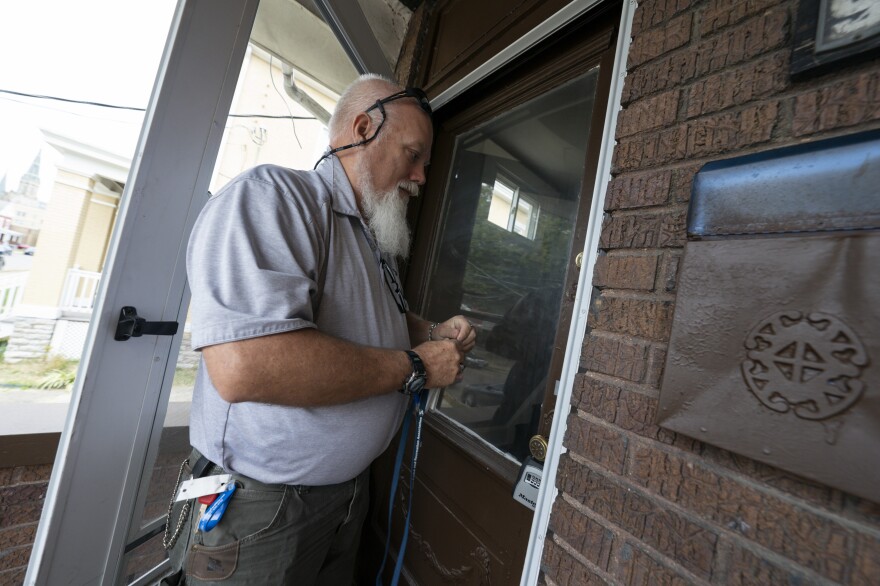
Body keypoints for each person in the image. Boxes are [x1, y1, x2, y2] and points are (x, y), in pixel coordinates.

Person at [163, 74, 476, 585]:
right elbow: (248, 366)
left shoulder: (371, 234)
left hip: (345, 495)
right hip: (263, 506)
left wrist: (434, 329)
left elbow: (381, 321)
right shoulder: (274, 199)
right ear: (361, 127)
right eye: (413, 155)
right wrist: (418, 366)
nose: (420, 177)